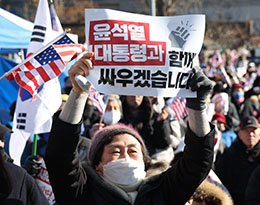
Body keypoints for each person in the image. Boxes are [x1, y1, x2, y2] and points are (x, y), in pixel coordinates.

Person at [44, 52, 215, 204]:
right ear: (98, 164)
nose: (125, 157)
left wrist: (196, 107)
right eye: (115, 152)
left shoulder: (163, 192)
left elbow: (197, 163)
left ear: (144, 162)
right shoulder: (82, 191)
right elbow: (59, 156)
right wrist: (78, 93)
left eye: (133, 151)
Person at [214, 116, 260, 205]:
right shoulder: (228, 155)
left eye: (253, 131)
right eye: (247, 131)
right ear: (239, 134)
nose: (250, 134)